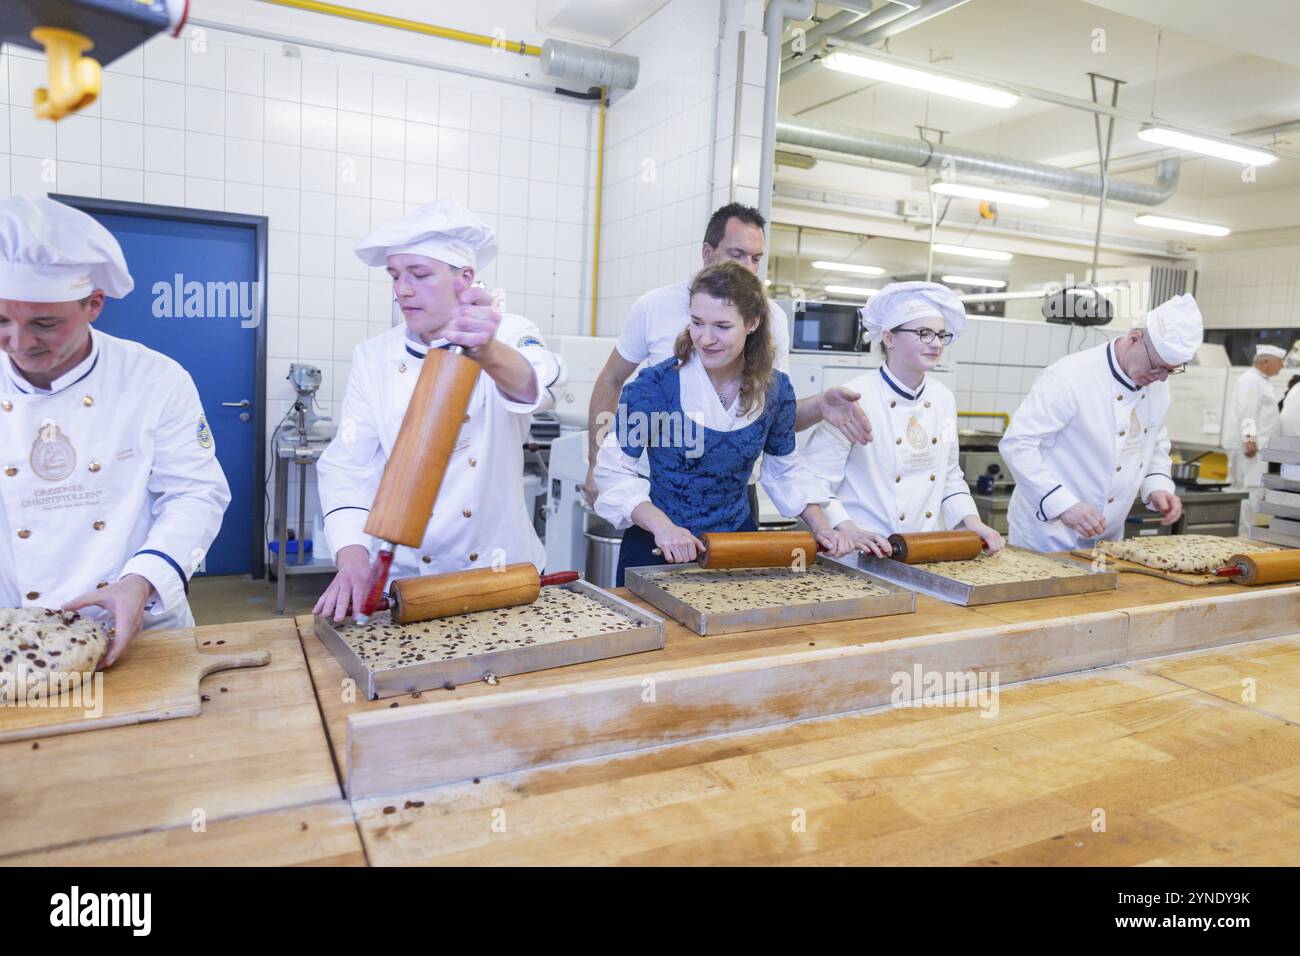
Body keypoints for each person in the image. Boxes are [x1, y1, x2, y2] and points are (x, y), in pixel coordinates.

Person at [0, 196, 230, 666]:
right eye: (1, 320)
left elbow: (194, 493)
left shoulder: (154, 378)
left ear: (94, 305)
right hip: (13, 632)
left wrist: (142, 579)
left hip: (137, 624)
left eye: (45, 323)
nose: (20, 343)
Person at [314, 198, 564, 621]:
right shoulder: (373, 357)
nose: (402, 290)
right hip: (410, 583)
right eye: (395, 276)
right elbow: (347, 467)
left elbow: (540, 382)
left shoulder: (509, 331)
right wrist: (352, 557)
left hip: (500, 573)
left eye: (420, 274)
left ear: (464, 278)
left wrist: (486, 350)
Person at [585, 202, 873, 505]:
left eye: (756, 258)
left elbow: (776, 414)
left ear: (751, 324)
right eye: (737, 254)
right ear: (707, 252)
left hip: (736, 492)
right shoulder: (654, 307)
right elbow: (611, 379)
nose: (747, 267)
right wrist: (596, 463)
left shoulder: (772, 317)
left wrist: (819, 404)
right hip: (657, 488)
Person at [592, 261, 852, 586]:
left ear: (752, 323)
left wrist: (822, 527)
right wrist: (664, 528)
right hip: (657, 549)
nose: (706, 338)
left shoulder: (774, 391)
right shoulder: (655, 388)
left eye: (722, 326)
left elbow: (784, 468)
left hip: (735, 549)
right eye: (697, 323)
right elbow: (613, 471)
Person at [803, 282, 1004, 556]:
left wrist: (973, 522)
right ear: (889, 338)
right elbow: (815, 479)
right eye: (923, 333)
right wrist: (846, 527)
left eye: (940, 335)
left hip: (923, 550)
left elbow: (949, 476)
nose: (935, 344)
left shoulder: (943, 398)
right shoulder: (853, 398)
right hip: (864, 550)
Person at [999, 294, 1203, 553]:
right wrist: (1064, 505)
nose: (1162, 378)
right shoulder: (1069, 376)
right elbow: (1018, 444)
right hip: (1048, 533)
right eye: (1157, 367)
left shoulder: (1158, 387)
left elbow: (1153, 441)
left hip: (1107, 537)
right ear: (1134, 339)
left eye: (1171, 371)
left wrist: (1157, 486)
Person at [1226, 344, 1285, 528]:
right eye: (1279, 362)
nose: (1282, 366)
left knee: (1250, 490)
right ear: (1266, 362)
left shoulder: (1260, 381)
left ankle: (1242, 532)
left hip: (1257, 447)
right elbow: (1247, 411)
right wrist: (1249, 440)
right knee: (1250, 490)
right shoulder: (1251, 380)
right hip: (1251, 448)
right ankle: (1242, 536)